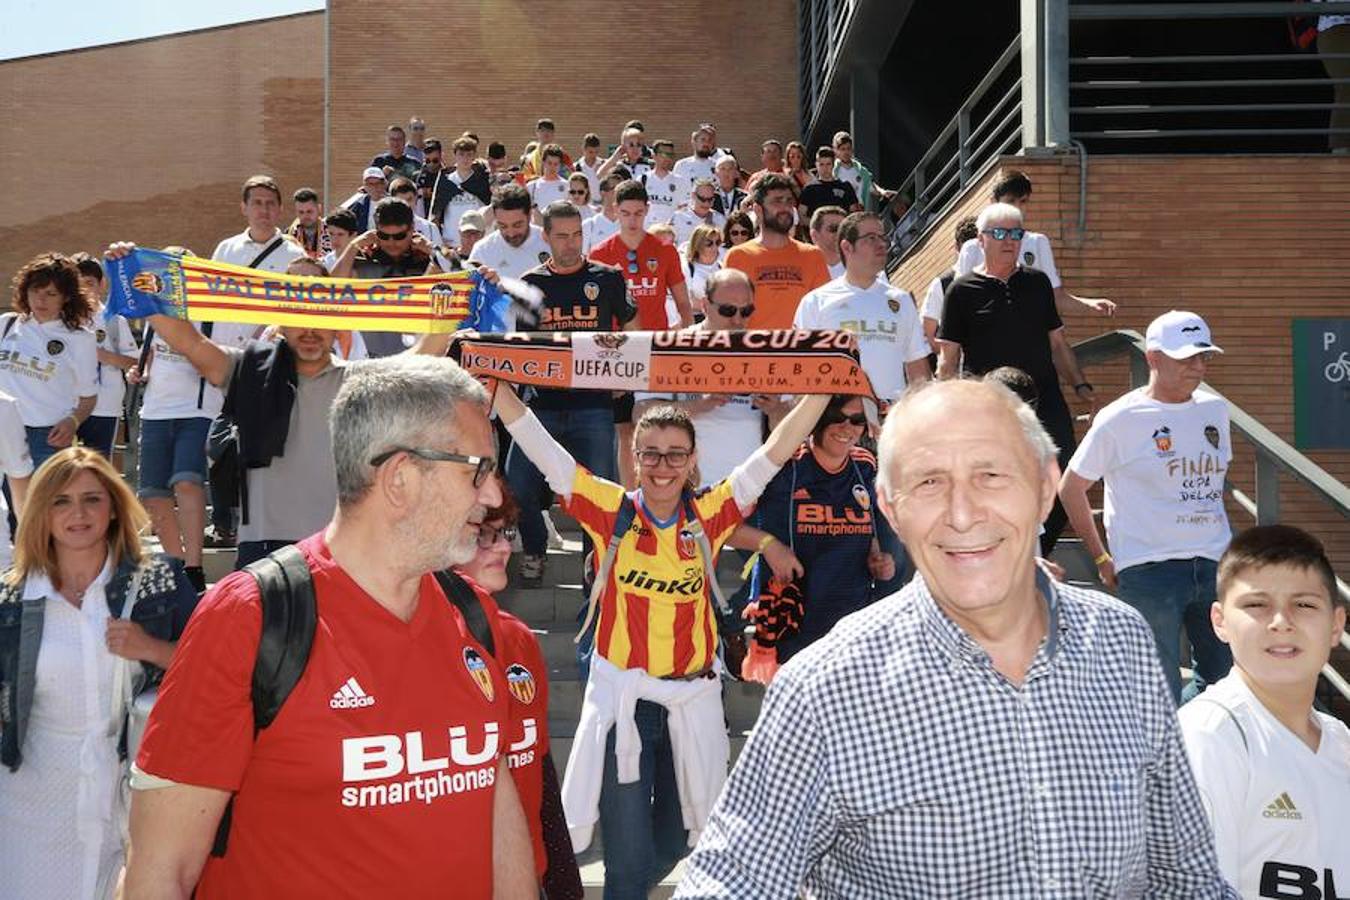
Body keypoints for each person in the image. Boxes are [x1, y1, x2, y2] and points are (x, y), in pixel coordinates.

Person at [674, 378, 1236, 899]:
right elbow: (729, 881)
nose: (963, 514)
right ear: (891, 509)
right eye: (928, 482)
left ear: (1045, 489)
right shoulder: (826, 687)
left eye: (991, 474)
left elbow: (1184, 873)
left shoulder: (1122, 644)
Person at [125, 356, 537, 899]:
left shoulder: (476, 616)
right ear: (400, 478)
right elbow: (160, 873)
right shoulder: (248, 617)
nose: (491, 496)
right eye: (478, 470)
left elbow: (497, 812)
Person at [493, 379, 830, 900]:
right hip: (625, 703)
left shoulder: (712, 512)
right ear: (634, 456)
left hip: (693, 701)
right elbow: (545, 452)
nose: (663, 466)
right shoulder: (611, 509)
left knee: (678, 842)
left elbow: (774, 451)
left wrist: (822, 391)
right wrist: (498, 392)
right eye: (651, 454)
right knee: (626, 865)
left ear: (694, 459)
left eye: (676, 455)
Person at [0, 447, 199, 900]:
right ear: (42, 514)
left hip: (131, 795)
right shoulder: (11, 597)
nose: (78, 513)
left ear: (113, 508)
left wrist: (150, 648)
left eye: (92, 499)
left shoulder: (159, 581)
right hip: (28, 797)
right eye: (61, 501)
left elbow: (218, 669)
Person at [1060, 310, 1233, 703]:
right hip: (1148, 570)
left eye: (1203, 356)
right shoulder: (1120, 418)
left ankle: (1203, 757)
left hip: (1214, 564)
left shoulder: (1215, 410)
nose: (1197, 366)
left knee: (1225, 687)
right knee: (1157, 691)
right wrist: (1102, 556)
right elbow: (1071, 487)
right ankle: (1165, 762)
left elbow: (1212, 484)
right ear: (1153, 358)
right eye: (1186, 357)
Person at [1177, 525, 1348, 897]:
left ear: (1336, 625)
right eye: (1257, 605)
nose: (1281, 622)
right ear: (1219, 621)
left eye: (1303, 605)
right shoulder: (1208, 736)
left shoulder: (1342, 744)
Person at [938, 202, 1094, 555]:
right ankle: (1004, 550)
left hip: (1045, 401)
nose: (1010, 241)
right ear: (981, 239)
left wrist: (1080, 385)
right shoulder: (961, 290)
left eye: (1016, 233)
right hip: (989, 409)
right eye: (1000, 233)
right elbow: (948, 361)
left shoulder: (1038, 284)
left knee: (1064, 475)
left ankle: (1036, 549)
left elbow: (1057, 343)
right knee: (991, 481)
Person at [455, 490, 585, 900]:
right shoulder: (414, 645)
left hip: (527, 878)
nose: (506, 547)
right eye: (486, 536)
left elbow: (540, 770)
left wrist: (565, 886)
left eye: (506, 533)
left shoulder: (519, 639)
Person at [510, 200, 636, 587]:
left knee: (599, 496)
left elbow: (635, 331)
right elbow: (522, 345)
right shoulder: (529, 284)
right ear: (545, 237)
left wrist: (623, 377)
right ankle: (534, 548)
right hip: (541, 407)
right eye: (562, 236)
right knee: (516, 487)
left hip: (593, 407)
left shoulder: (609, 277)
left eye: (577, 234)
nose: (571, 244)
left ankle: (594, 568)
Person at [740, 394, 895, 664]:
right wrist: (769, 545)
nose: (847, 428)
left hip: (853, 625)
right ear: (817, 417)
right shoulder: (781, 464)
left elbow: (864, 522)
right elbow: (720, 523)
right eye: (837, 418)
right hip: (793, 624)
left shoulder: (865, 464)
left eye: (857, 420)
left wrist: (878, 559)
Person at [794, 212, 931, 407]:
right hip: (839, 422)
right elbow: (802, 369)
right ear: (847, 247)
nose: (882, 244)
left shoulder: (901, 301)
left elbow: (918, 368)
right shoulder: (815, 302)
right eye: (871, 238)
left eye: (883, 237)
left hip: (890, 420)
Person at [955, 170, 1116, 317]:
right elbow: (958, 303)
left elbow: (1056, 297)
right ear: (993, 201)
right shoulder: (972, 248)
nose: (1018, 207)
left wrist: (1090, 304)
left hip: (1029, 339)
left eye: (1023, 201)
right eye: (1010, 201)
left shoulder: (1038, 242)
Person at [0, 253, 98, 469]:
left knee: (39, 503)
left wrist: (72, 422)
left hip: (46, 438)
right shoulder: (6, 325)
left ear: (66, 297)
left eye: (50, 293)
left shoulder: (81, 339)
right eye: (35, 291)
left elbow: (88, 398)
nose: (40, 300)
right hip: (3, 431)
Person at [723, 173, 831, 330]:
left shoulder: (813, 256)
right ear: (758, 210)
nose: (785, 207)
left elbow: (824, 312)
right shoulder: (737, 256)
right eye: (777, 201)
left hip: (801, 351)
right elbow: (726, 317)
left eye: (788, 201)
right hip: (753, 352)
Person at [331, 197, 435, 357]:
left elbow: (463, 276)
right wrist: (352, 246)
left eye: (399, 236)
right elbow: (330, 288)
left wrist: (432, 249)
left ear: (412, 229)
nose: (391, 242)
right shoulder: (363, 257)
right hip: (371, 358)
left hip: (417, 358)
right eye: (384, 236)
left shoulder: (426, 258)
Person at [589, 179, 692, 330]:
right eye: (625, 213)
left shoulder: (665, 250)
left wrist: (687, 337)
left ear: (647, 209)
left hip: (655, 343)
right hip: (616, 345)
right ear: (616, 209)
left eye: (638, 213)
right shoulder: (599, 254)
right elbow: (591, 307)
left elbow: (683, 303)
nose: (632, 220)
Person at [71, 253, 138, 459]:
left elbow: (134, 363)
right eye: (77, 284)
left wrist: (101, 355)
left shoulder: (113, 319)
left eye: (89, 283)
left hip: (104, 406)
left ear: (102, 285)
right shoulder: (61, 318)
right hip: (65, 406)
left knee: (98, 467)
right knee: (60, 469)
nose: (83, 290)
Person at [920, 215, 980, 348]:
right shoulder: (943, 283)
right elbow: (927, 333)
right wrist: (950, 355)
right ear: (958, 248)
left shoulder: (999, 275)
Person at [429, 136, 493, 246]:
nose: (465, 159)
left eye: (469, 155)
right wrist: (437, 240)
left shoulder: (482, 180)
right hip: (451, 241)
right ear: (455, 155)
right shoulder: (446, 180)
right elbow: (435, 213)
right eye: (461, 154)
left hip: (478, 242)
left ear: (475, 156)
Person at [798, 146, 861, 219]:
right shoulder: (809, 189)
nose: (825, 168)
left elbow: (854, 214)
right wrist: (817, 226)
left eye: (828, 164)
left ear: (833, 165)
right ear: (816, 165)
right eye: (821, 164)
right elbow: (801, 215)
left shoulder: (845, 187)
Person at [641, 140, 689, 226]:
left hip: (669, 232)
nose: (667, 158)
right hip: (647, 231)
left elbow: (683, 209)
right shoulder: (643, 179)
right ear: (654, 156)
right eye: (663, 154)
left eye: (670, 155)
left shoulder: (680, 181)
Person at [389, 177, 444, 248]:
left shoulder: (430, 228)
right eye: (401, 201)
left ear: (416, 198)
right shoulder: (384, 228)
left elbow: (441, 257)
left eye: (409, 199)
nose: (406, 205)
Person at [670, 179, 725, 247]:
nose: (706, 203)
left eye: (710, 200)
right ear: (693, 196)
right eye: (702, 199)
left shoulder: (720, 219)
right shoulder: (678, 217)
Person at [831, 131, 876, 211]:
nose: (846, 152)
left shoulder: (861, 170)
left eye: (848, 148)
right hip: (841, 212)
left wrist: (884, 192)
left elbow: (871, 186)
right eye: (842, 149)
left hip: (859, 212)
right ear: (836, 150)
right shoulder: (832, 171)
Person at [682, 225, 723, 305]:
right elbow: (686, 301)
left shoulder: (722, 267)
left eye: (717, 243)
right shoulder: (687, 268)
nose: (714, 247)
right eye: (709, 243)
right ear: (697, 245)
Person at [583, 173, 623, 253]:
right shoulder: (589, 225)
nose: (619, 193)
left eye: (622, 189)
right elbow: (583, 256)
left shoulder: (630, 224)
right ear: (603, 192)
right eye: (615, 189)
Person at [284, 187, 328, 258]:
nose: (306, 216)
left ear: (319, 209)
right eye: (301, 212)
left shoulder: (332, 233)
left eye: (309, 211)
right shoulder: (288, 235)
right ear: (296, 212)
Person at [342, 167, 388, 233]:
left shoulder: (393, 203)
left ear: (384, 184)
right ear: (364, 186)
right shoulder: (358, 204)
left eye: (378, 183)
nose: (374, 187)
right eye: (370, 184)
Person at [807, 205, 847, 278]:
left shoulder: (858, 268)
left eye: (843, 229)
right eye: (833, 228)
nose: (839, 233)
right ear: (814, 235)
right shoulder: (801, 265)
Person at [319, 207, 359, 273]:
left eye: (340, 234)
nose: (334, 239)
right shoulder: (325, 263)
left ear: (353, 236)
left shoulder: (364, 262)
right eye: (331, 234)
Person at [576, 132, 605, 197]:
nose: (594, 155)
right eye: (590, 152)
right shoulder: (576, 167)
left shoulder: (604, 165)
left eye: (596, 152)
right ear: (583, 149)